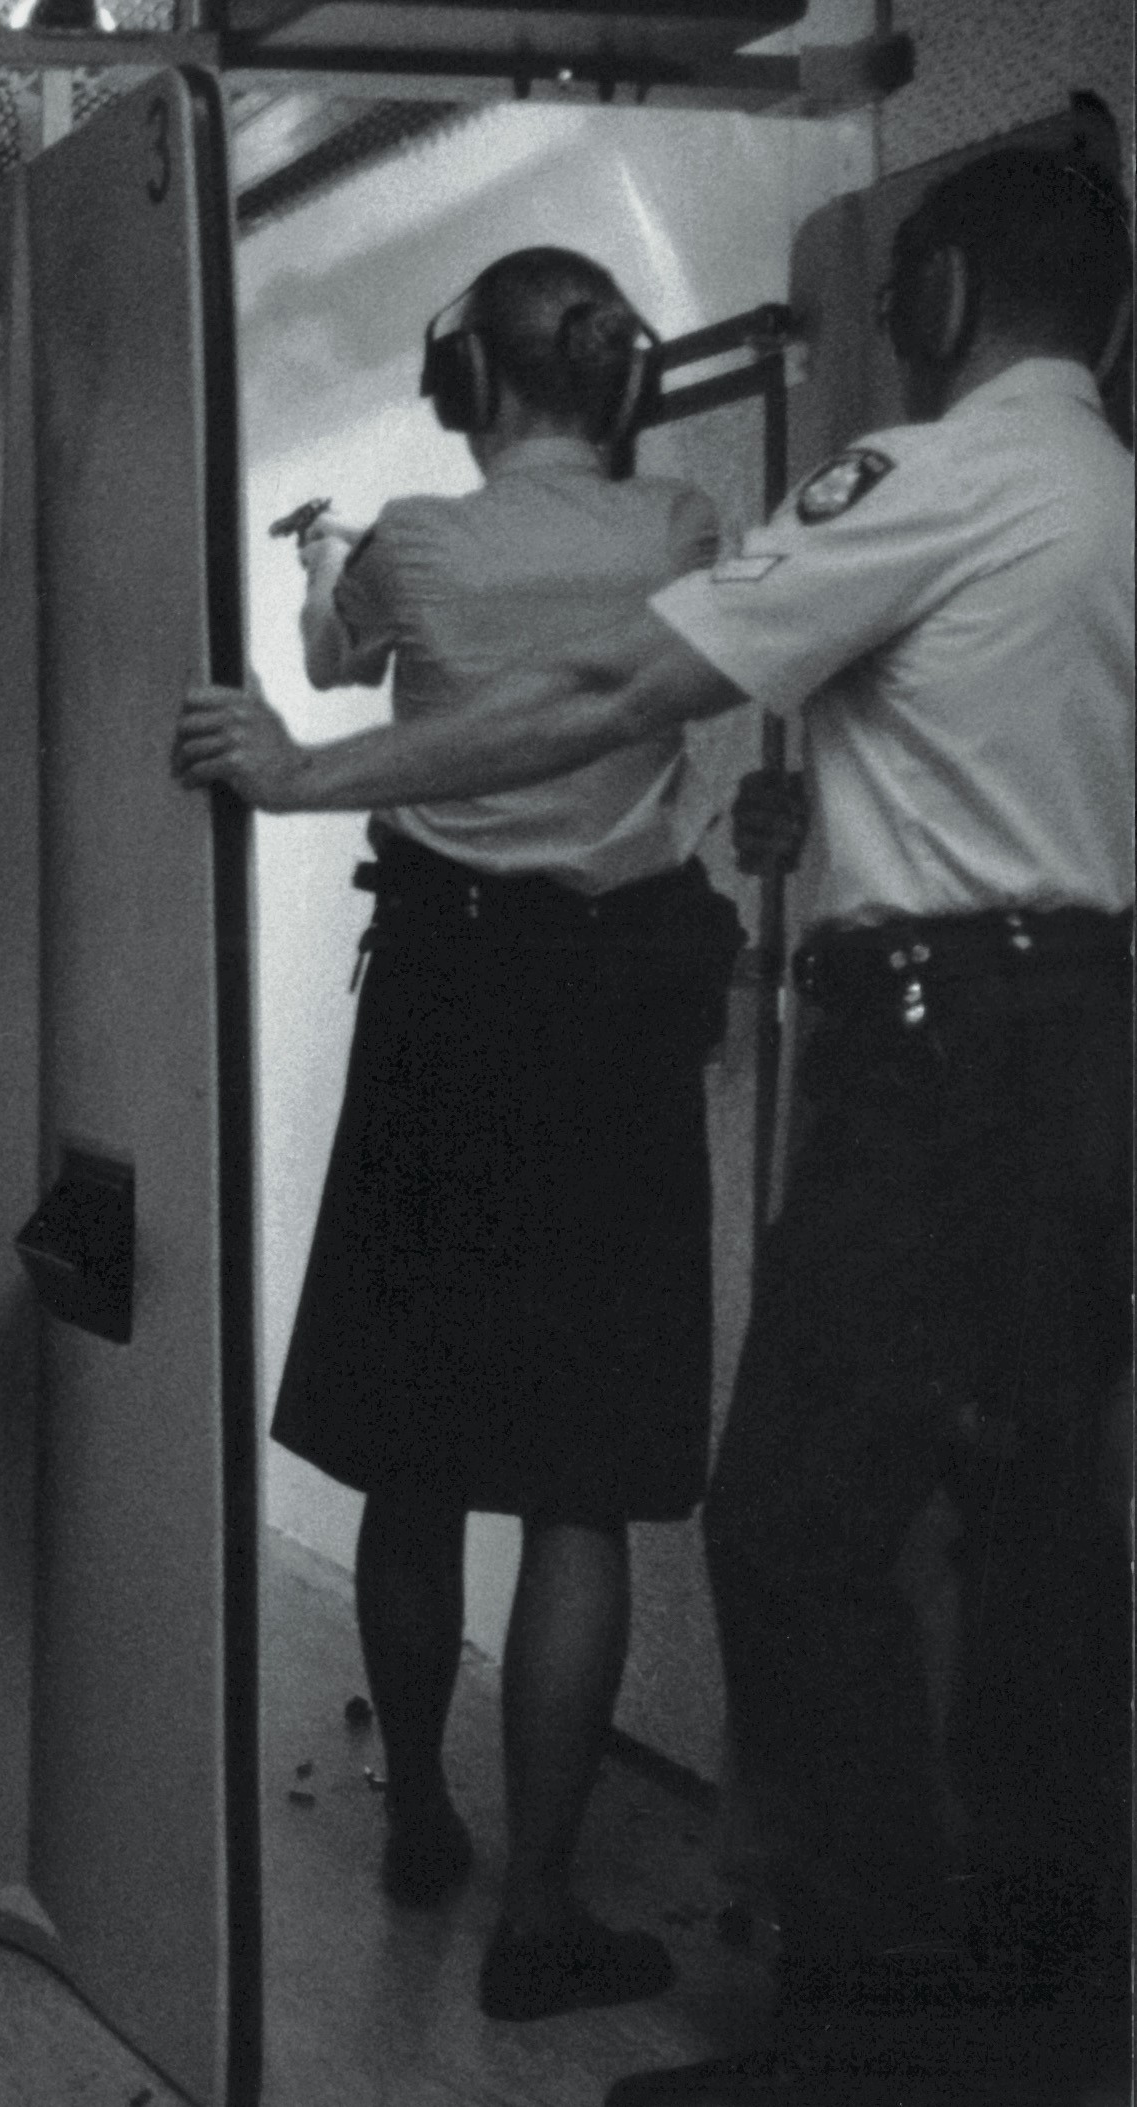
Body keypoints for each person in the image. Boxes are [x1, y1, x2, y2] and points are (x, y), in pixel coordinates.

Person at [178, 149, 1131, 2105]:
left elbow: (589, 683)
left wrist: (298, 769)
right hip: (879, 1022)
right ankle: (1015, 2005)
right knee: (992, 1522)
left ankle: (854, 2023)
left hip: (606, 1015)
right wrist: (783, 817)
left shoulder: (921, 479)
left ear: (943, 302)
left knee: (718, 1508)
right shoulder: (1063, 495)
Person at [267, 247, 741, 2023]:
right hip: (616, 1015)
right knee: (577, 1481)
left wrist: (319, 562)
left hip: (441, 1008)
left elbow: (331, 657)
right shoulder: (683, 525)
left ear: (463, 385)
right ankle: (540, 1908)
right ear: (619, 378)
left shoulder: (409, 540)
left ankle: (419, 1815)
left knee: (412, 1451)